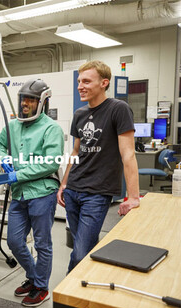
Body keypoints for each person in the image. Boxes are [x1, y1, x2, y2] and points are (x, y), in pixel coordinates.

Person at [57, 60, 140, 273]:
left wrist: (133, 197)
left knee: (79, 253)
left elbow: (128, 154)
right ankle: (90, 287)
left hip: (97, 193)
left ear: (104, 83)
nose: (80, 86)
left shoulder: (118, 109)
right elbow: (76, 152)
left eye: (86, 81)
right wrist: (64, 183)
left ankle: (68, 293)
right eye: (78, 81)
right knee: (81, 245)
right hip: (74, 189)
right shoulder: (79, 114)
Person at [0, 79, 64, 307]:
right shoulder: (13, 126)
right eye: (23, 99)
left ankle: (41, 287)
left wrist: (18, 175)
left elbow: (51, 163)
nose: (25, 104)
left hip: (43, 192)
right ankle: (34, 277)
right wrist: (3, 158)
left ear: (42, 102)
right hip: (19, 194)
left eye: (31, 100)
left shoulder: (51, 128)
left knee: (42, 244)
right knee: (14, 241)